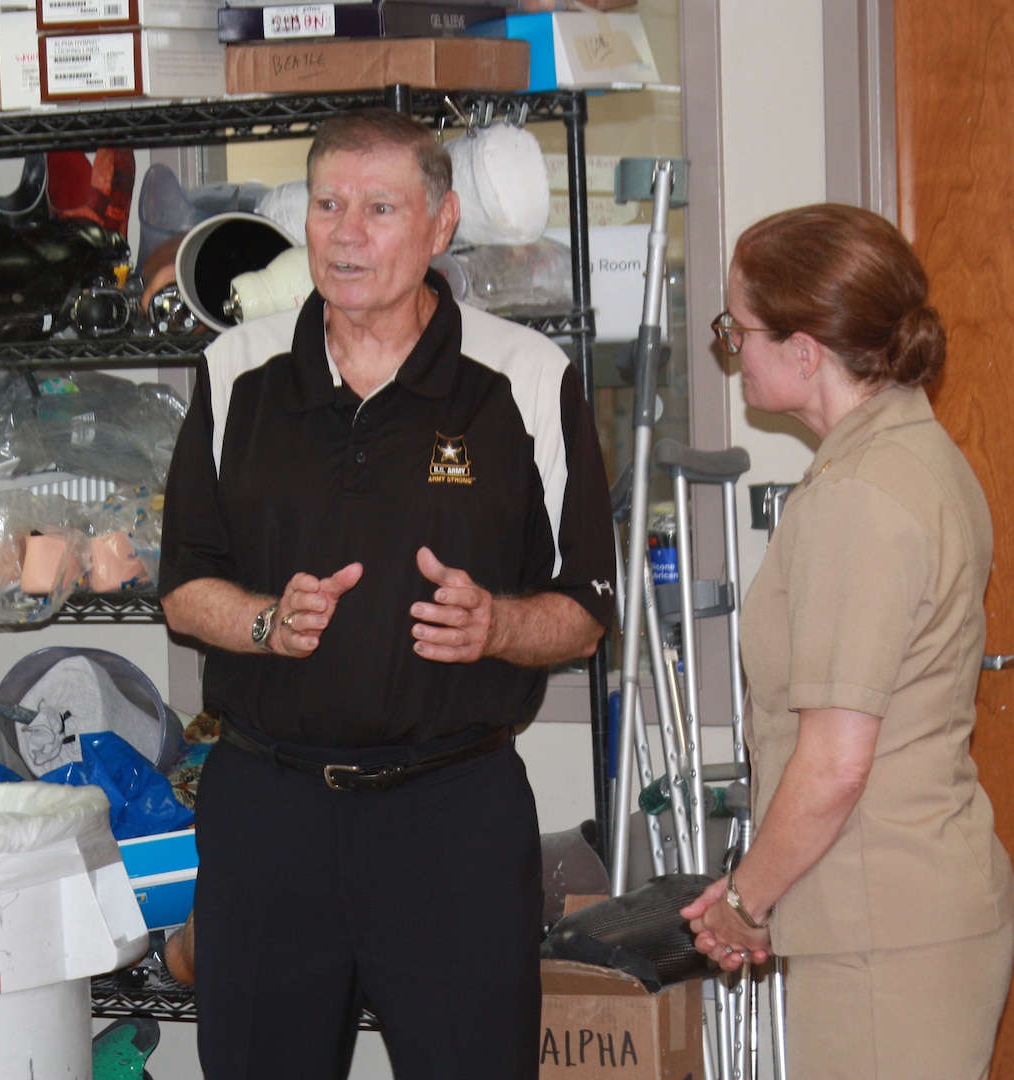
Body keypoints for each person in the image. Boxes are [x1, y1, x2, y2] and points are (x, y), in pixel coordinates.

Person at [158, 109, 617, 1079]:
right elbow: (181, 586)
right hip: (267, 813)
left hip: (449, 815)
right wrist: (264, 624)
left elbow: (583, 608)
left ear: (441, 224)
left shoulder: (527, 378)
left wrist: (498, 624)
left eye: (379, 207)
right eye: (328, 205)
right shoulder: (234, 370)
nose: (346, 232)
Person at [683, 203, 1014, 1079]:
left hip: (886, 934)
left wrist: (745, 903)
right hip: (902, 911)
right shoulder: (917, 453)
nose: (732, 351)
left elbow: (835, 764)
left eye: (738, 329)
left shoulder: (859, 498)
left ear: (804, 349)